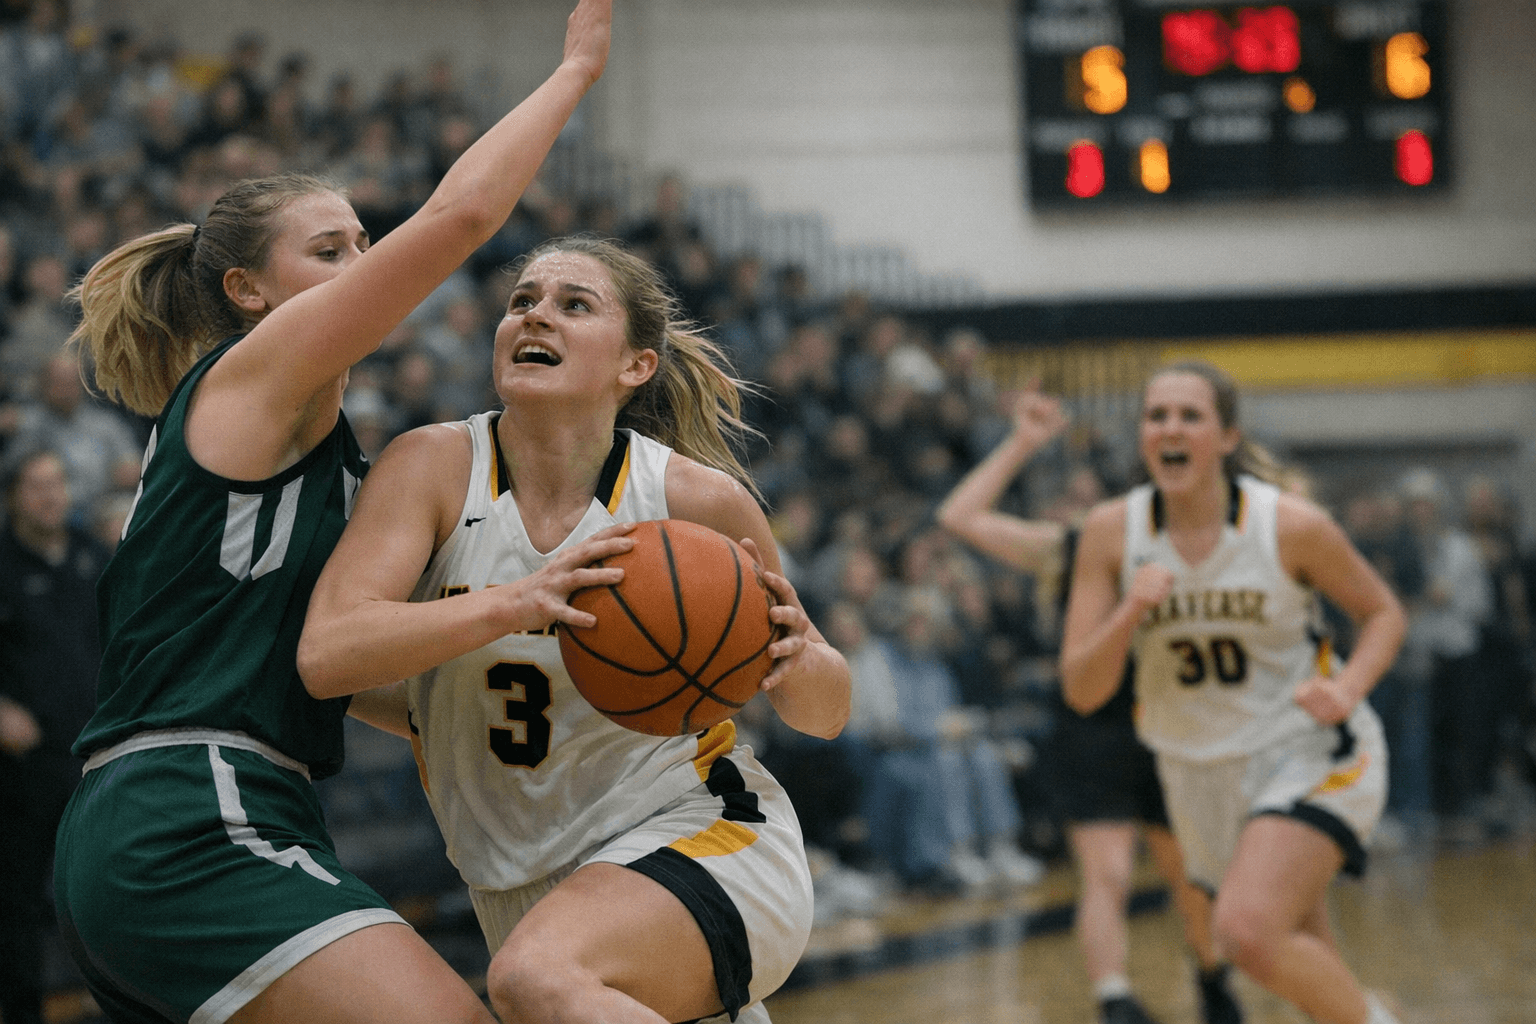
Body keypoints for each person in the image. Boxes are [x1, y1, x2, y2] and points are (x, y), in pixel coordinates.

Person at [51, 4, 612, 1023]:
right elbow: (459, 220)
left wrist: (528, 709)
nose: (364, 263)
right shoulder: (245, 382)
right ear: (248, 291)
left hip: (204, 809)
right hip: (189, 807)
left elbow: (328, 664)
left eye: (363, 240)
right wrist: (574, 73)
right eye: (331, 250)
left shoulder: (323, 455)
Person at [298, 235, 851, 1024]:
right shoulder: (432, 467)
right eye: (522, 300)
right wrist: (515, 606)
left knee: (534, 980)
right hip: (516, 885)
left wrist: (800, 657)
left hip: (699, 834)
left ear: (636, 365)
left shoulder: (695, 503)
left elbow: (825, 714)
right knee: (539, 977)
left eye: (574, 304)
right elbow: (329, 657)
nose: (537, 315)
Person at [1059, 361, 1408, 1024]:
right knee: (1302, 946)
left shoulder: (1289, 525)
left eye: (1190, 415)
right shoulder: (1111, 532)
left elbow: (1384, 612)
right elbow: (1081, 688)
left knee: (1244, 933)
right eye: (1157, 415)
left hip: (1306, 748)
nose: (1171, 428)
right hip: (1195, 771)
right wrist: (1129, 612)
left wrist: (1349, 685)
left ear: (1225, 437)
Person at [936, 383, 1240, 1024]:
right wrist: (1022, 443)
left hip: (1175, 723)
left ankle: (1213, 976)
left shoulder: (1186, 538)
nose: (1075, 505)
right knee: (1106, 875)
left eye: (1085, 493)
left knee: (1192, 879)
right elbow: (959, 516)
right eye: (1065, 497)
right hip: (1090, 725)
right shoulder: (1066, 548)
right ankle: (1114, 998)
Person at [0, 450, 109, 1024]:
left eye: (56, 483)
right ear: (13, 496)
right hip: (22, 772)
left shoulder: (92, 554)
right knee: (16, 904)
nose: (48, 495)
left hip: (94, 759)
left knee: (111, 895)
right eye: (35, 485)